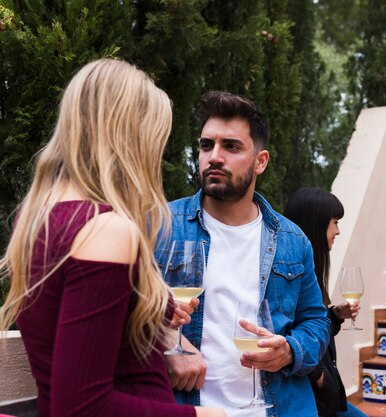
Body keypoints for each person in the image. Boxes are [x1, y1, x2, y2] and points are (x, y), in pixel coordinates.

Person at [0, 59, 225, 417]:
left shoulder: (37, 218)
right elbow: (81, 407)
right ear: (128, 136)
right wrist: (204, 416)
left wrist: (154, 304)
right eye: (155, 139)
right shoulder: (106, 229)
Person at [156, 91, 330, 416]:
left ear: (260, 161)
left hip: (279, 407)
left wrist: (291, 350)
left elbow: (316, 321)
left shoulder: (293, 240)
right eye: (207, 145)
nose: (214, 157)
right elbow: (124, 310)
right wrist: (166, 342)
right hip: (190, 408)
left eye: (231, 146)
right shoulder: (160, 226)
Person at [283, 188, 368, 417]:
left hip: (327, 396)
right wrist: (318, 375)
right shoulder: (288, 274)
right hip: (310, 397)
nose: (338, 231)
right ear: (317, 223)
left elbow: (310, 325)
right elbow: (284, 328)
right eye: (335, 222)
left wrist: (334, 315)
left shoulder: (311, 270)